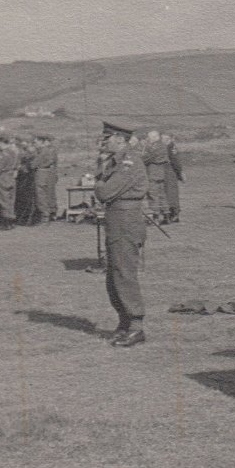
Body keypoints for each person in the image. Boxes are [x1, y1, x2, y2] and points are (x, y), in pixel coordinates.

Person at [95, 122, 148, 347]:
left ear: (119, 139)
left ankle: (136, 326)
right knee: (114, 274)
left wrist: (97, 183)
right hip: (117, 219)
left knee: (124, 272)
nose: (103, 142)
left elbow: (105, 192)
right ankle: (124, 323)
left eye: (107, 138)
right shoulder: (114, 162)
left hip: (126, 220)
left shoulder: (129, 162)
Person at [0, 135, 19, 230]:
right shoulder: (14, 152)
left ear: (2, 142)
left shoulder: (4, 154)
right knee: (10, 200)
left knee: (3, 200)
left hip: (3, 177)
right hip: (11, 177)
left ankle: (6, 223)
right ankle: (11, 221)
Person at [142, 130, 170, 224]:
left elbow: (148, 158)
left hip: (152, 174)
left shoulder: (154, 147)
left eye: (149, 138)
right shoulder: (162, 146)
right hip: (161, 173)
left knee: (153, 195)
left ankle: (156, 217)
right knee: (162, 195)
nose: (148, 140)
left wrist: (145, 153)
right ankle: (166, 215)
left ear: (154, 137)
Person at [32, 134, 58, 224]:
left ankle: (45, 215)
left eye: (35, 142)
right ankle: (52, 212)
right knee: (50, 193)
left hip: (42, 174)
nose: (34, 144)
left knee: (41, 194)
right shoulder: (51, 150)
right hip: (50, 173)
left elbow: (33, 164)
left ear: (41, 142)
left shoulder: (42, 151)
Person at [163, 133, 184, 221]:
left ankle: (175, 213)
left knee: (172, 193)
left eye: (165, 138)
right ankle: (171, 213)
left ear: (170, 139)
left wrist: (180, 173)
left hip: (170, 171)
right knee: (168, 193)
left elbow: (175, 161)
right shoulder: (167, 146)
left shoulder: (171, 146)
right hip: (166, 171)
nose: (163, 140)